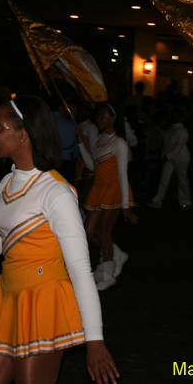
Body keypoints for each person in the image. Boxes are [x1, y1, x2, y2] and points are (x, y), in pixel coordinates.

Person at [0, 95, 119, 384]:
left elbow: (80, 270)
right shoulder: (4, 186)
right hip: (6, 298)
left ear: (23, 133)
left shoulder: (56, 192)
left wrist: (95, 341)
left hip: (43, 305)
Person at [77, 103, 138, 291]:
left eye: (103, 116)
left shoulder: (119, 143)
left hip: (113, 191)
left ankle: (108, 274)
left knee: (104, 232)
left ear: (113, 118)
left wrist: (126, 206)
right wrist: (81, 142)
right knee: (89, 232)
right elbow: (92, 166)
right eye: (98, 116)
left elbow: (122, 174)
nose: (99, 119)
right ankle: (117, 254)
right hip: (98, 189)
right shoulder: (100, 139)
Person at [147, 105, 192, 210]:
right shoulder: (171, 128)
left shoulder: (182, 131)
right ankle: (157, 201)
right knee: (164, 179)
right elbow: (166, 143)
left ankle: (185, 202)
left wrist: (166, 156)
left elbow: (178, 147)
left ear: (180, 117)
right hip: (169, 157)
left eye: (174, 115)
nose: (172, 117)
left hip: (180, 158)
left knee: (182, 179)